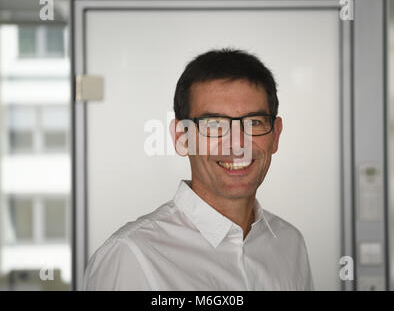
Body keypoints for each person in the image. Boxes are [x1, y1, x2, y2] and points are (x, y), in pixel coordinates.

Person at [83, 48, 314, 291]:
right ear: (182, 137)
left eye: (254, 122)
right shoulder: (131, 258)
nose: (237, 144)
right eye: (213, 124)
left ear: (275, 135)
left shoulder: (290, 244)